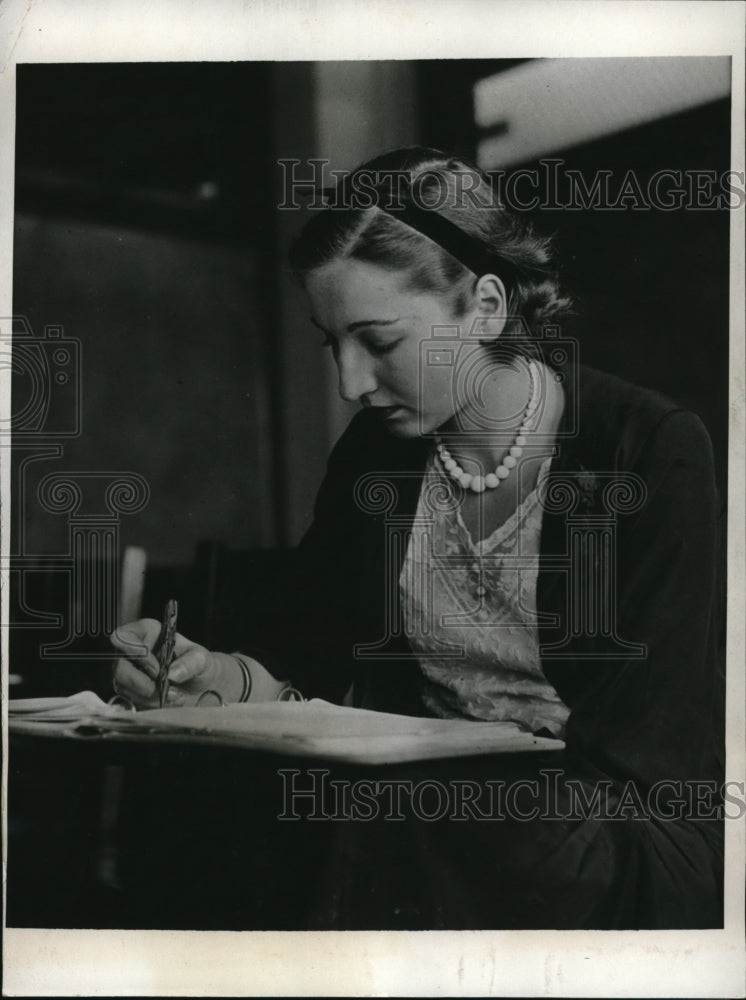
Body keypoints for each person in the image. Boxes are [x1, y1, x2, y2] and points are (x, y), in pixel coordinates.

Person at [111, 147, 725, 930]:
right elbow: (313, 659)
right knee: (226, 802)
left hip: (611, 827)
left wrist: (445, 787)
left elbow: (644, 754)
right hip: (428, 812)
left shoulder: (650, 449)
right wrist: (217, 678)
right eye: (330, 343)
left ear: (489, 306)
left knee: (393, 823)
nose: (350, 384)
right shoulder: (377, 455)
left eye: (380, 342)